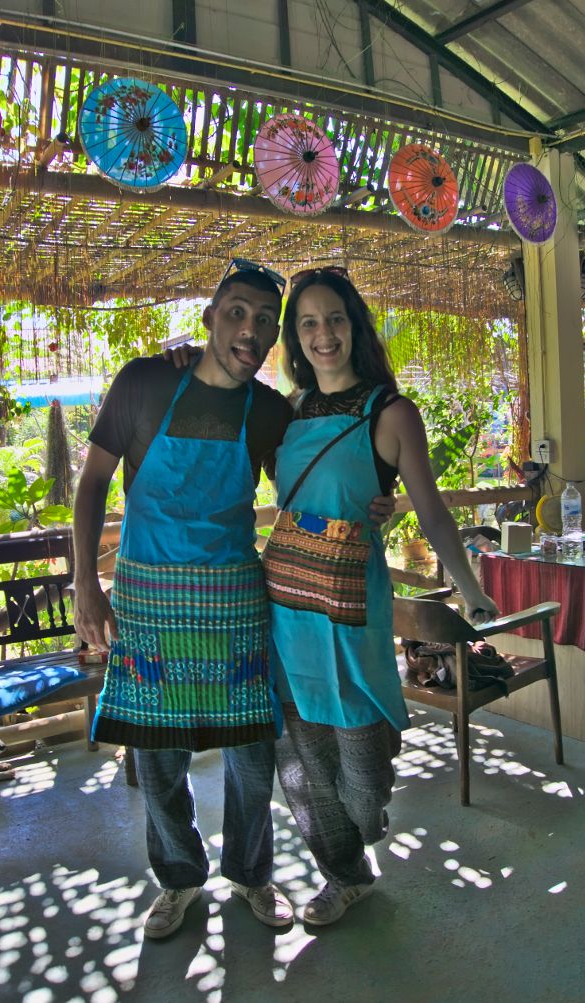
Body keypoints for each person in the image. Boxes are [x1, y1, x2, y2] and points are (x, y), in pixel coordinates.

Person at [262, 265, 499, 927]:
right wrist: (180, 360)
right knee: (307, 760)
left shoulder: (390, 412)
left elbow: (432, 512)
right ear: (295, 336)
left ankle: (359, 831)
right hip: (289, 608)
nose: (322, 334)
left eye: (334, 318)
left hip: (353, 610)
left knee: (362, 776)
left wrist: (473, 592)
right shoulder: (287, 413)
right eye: (307, 322)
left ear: (354, 325)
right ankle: (345, 876)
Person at [73, 259, 296, 939]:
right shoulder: (144, 382)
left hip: (234, 603)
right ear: (208, 317)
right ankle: (178, 878)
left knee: (253, 756)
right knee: (157, 755)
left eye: (264, 320)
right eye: (237, 311)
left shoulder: (267, 411)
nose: (249, 330)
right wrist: (86, 582)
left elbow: (303, 491)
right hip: (147, 600)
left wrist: (370, 497)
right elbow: (90, 489)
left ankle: (253, 872)